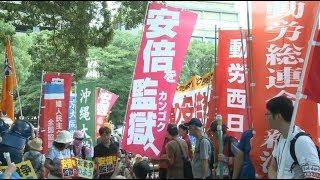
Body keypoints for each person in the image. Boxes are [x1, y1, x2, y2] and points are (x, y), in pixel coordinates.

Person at [266, 96, 320, 179]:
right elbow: (272, 167)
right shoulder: (280, 138)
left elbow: (314, 176)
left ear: (278, 116)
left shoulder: (301, 141)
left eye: (268, 114)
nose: (266, 118)